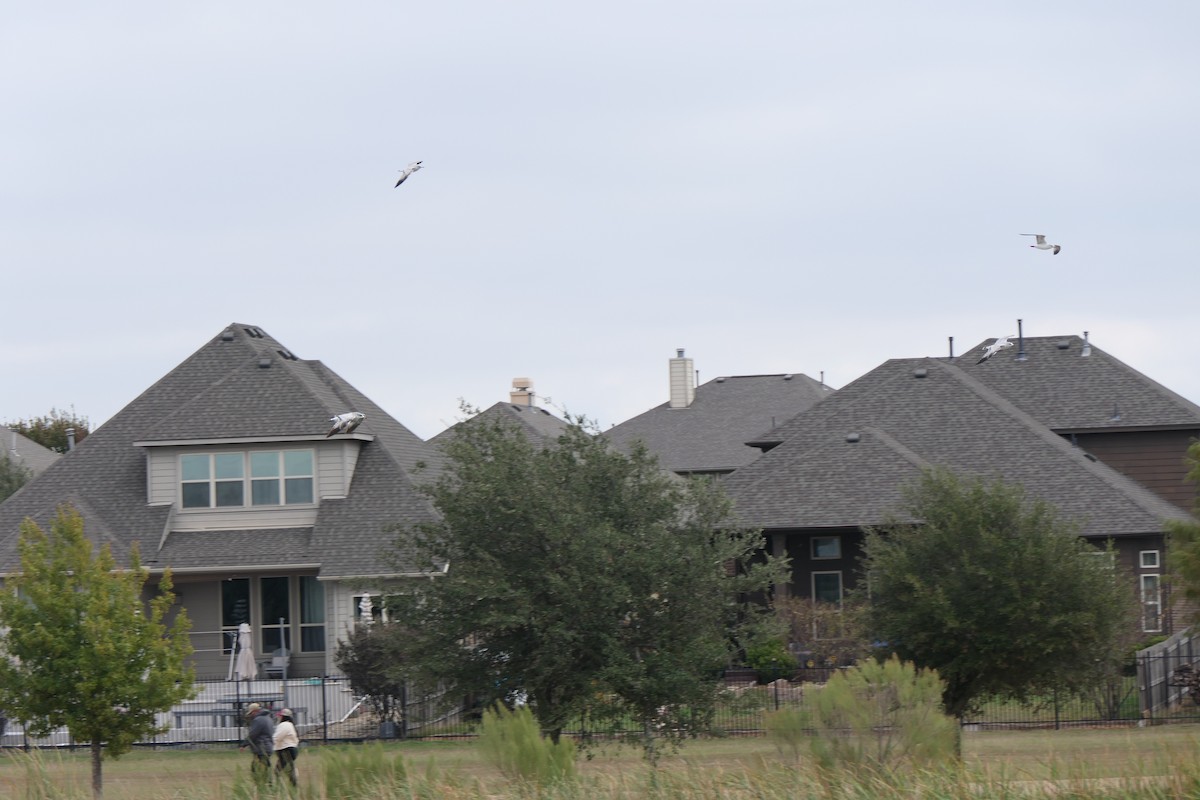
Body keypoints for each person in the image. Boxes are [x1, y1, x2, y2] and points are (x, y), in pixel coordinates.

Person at [244, 702, 275, 782]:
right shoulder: (268, 718)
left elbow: (253, 734)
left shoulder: (258, 720)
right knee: (266, 768)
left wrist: (244, 744)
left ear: (255, 711)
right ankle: (268, 786)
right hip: (268, 747)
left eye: (251, 713)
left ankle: (263, 786)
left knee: (256, 769)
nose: (251, 715)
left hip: (261, 748)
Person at [273, 708, 300, 785]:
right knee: (290, 769)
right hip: (292, 749)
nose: (279, 717)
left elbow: (277, 737)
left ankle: (280, 787)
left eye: (280, 716)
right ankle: (293, 785)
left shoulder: (284, 725)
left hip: (286, 750)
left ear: (283, 717)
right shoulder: (291, 725)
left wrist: (271, 742)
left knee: (278, 771)